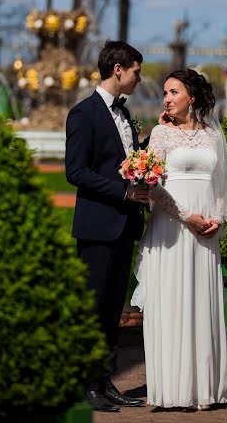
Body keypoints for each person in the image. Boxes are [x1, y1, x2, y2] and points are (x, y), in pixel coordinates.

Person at [131, 69, 227, 410]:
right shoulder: (159, 134)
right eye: (165, 92)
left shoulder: (213, 135)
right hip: (172, 230)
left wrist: (215, 220)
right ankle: (173, 389)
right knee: (170, 302)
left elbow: (219, 186)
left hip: (206, 234)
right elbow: (153, 187)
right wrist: (189, 217)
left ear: (192, 96)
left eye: (173, 91)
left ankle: (205, 387)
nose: (167, 97)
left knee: (202, 303)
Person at [65, 40, 149, 412]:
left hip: (124, 227)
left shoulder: (126, 115)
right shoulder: (83, 114)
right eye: (136, 72)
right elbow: (76, 172)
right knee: (93, 308)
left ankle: (106, 380)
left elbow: (123, 160)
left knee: (113, 308)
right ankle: (85, 384)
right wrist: (124, 192)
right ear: (119, 70)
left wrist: (151, 144)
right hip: (97, 227)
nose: (138, 78)